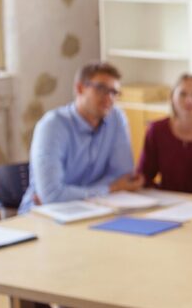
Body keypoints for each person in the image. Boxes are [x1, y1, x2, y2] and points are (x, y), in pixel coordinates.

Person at [20, 62, 144, 213]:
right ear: (79, 88)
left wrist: (79, 193)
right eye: (101, 89)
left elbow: (123, 176)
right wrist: (111, 188)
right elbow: (52, 195)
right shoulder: (52, 126)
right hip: (45, 215)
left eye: (114, 92)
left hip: (95, 210)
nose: (109, 98)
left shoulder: (116, 118)